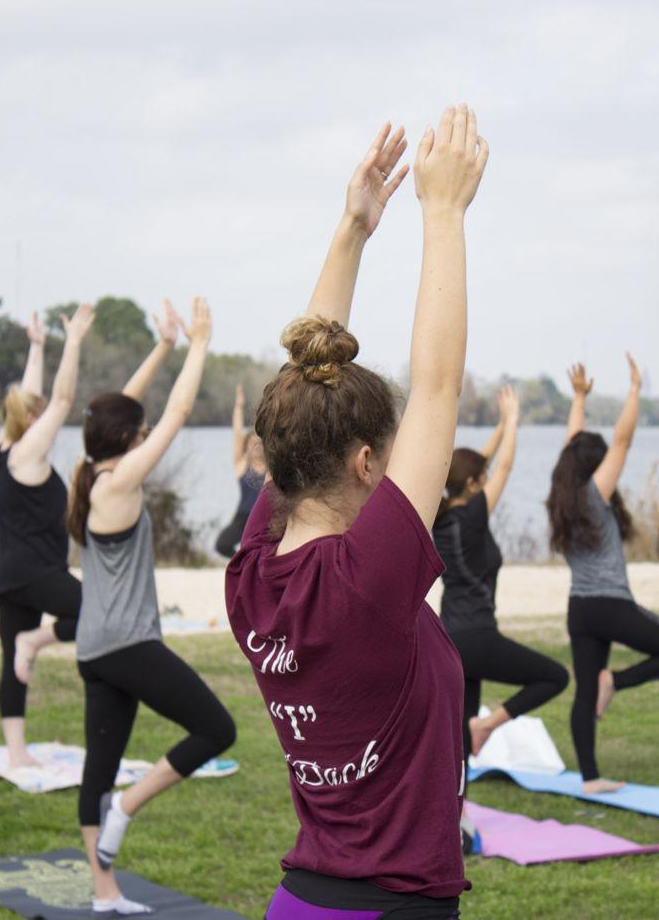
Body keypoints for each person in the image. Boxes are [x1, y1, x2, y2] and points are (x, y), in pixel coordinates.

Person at [227, 107, 488, 919]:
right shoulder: (366, 581)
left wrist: (353, 230)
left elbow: (299, 400)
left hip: (302, 901)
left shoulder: (252, 577)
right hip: (392, 907)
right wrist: (441, 215)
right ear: (369, 462)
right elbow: (438, 387)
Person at [68, 297, 236, 916]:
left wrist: (162, 346)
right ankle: (129, 805)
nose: (145, 436)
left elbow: (116, 408)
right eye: (137, 433)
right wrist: (197, 344)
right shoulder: (121, 482)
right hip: (129, 644)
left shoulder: (86, 473)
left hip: (94, 647)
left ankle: (103, 892)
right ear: (126, 441)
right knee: (217, 728)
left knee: (98, 768)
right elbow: (178, 412)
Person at [433, 388, 569, 824]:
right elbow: (503, 467)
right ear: (474, 486)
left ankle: (456, 816)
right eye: (481, 478)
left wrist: (495, 431)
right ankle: (489, 726)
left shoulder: (435, 516)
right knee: (553, 675)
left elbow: (466, 467)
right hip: (475, 635)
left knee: (457, 734)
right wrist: (512, 418)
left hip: (448, 637)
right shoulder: (473, 516)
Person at [547, 355, 657, 794]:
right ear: (596, 468)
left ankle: (590, 778)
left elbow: (574, 447)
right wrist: (633, 390)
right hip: (611, 605)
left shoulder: (565, 497)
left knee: (583, 692)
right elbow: (624, 441)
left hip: (580, 609)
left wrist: (578, 398)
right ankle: (618, 680)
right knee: (599, 682)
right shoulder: (594, 495)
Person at [0, 305, 94, 769]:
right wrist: (71, 342)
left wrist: (37, 347)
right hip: (35, 572)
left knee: (12, 662)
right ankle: (39, 640)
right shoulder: (29, 450)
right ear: (31, 420)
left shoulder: (5, 448)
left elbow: (33, 398)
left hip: (10, 573)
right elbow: (59, 400)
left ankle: (17, 753)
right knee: (98, 611)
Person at [215, 383, 266, 558]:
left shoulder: (271, 468)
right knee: (222, 544)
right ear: (246, 447)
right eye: (252, 443)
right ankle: (242, 562)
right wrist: (238, 406)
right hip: (243, 516)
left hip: (264, 517)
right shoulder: (242, 465)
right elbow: (237, 434)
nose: (256, 447)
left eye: (259, 443)